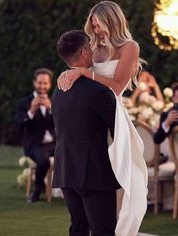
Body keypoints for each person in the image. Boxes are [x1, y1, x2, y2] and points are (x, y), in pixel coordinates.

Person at [57, 2, 148, 236]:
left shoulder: (129, 47)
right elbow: (79, 66)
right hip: (89, 114)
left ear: (113, 20)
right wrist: (69, 73)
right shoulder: (92, 48)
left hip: (111, 110)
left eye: (99, 25)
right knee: (88, 211)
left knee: (118, 179)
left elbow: (116, 87)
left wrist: (83, 72)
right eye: (93, 25)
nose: (96, 30)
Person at [52, 30, 120, 236]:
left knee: (79, 228)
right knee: (103, 231)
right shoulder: (98, 90)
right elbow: (121, 131)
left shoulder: (58, 90)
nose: (93, 49)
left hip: (65, 168)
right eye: (90, 46)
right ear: (83, 52)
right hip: (93, 171)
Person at [15, 68, 56, 203]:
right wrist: (31, 111)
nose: (42, 86)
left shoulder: (54, 101)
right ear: (34, 83)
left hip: (54, 143)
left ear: (49, 85)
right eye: (39, 83)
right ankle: (37, 189)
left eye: (45, 83)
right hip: (34, 145)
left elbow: (63, 123)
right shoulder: (24, 103)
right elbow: (19, 126)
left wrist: (51, 108)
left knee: (74, 152)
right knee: (43, 160)